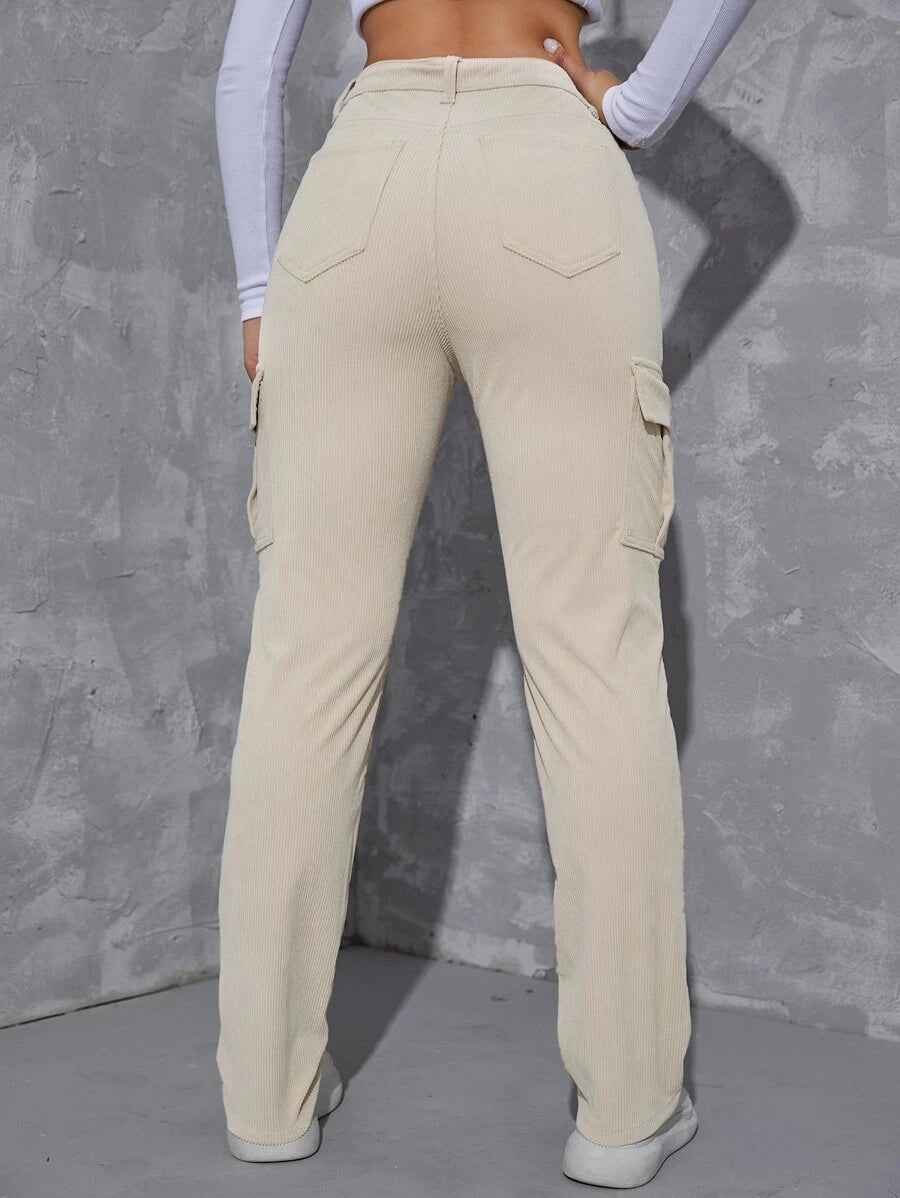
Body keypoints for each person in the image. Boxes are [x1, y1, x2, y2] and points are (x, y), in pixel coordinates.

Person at [214, 0, 756, 1187]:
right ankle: (626, 1109)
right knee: (595, 658)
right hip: (547, 168)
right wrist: (641, 106)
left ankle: (265, 1096)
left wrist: (259, 289)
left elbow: (254, 60)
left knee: (307, 656)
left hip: (363, 184)